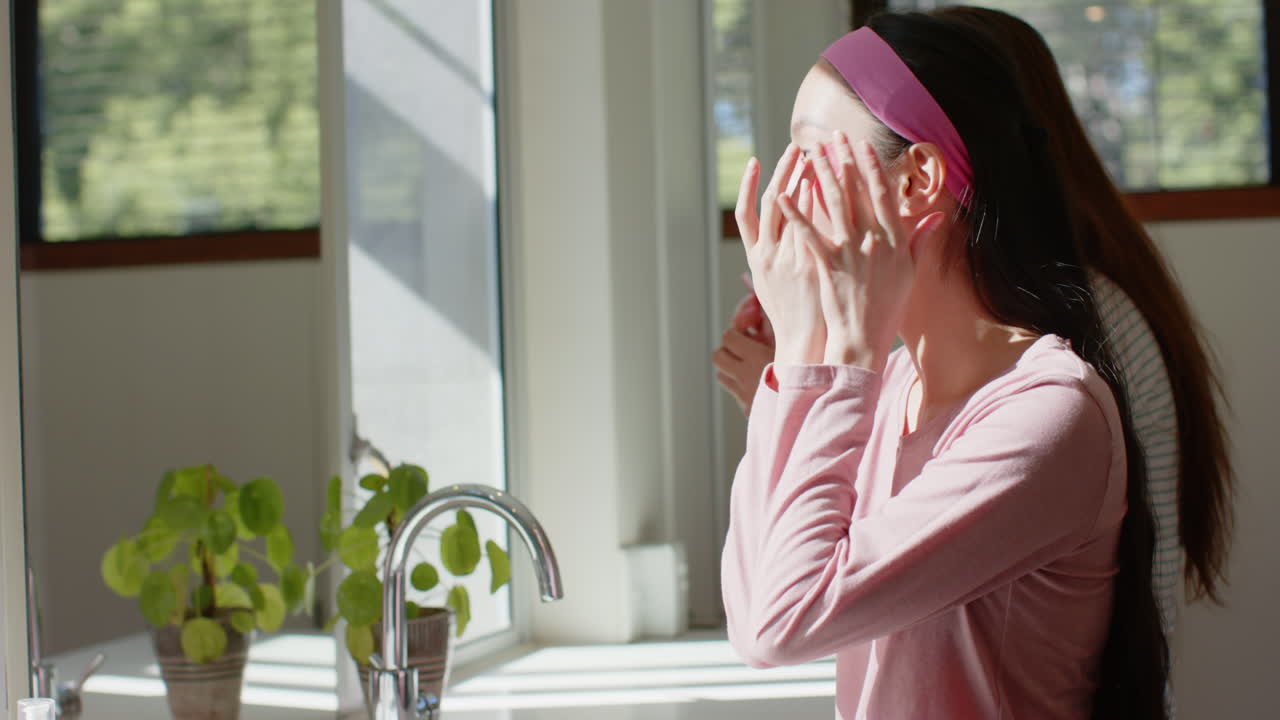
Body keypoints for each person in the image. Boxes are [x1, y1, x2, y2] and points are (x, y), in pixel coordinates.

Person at [714, 5, 1234, 638]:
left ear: (918, 180)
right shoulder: (901, 383)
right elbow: (760, 607)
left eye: (809, 153)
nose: (785, 193)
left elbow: (783, 620)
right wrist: (803, 367)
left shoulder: (1052, 404)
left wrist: (819, 365)